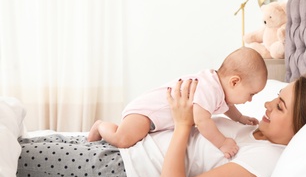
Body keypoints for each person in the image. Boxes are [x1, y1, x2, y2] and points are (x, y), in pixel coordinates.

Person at [10, 74, 306, 177]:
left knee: (11, 159)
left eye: (279, 105)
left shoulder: (266, 159)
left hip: (117, 172)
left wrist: (182, 122)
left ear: (304, 125)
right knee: (14, 142)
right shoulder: (254, 128)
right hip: (117, 148)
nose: (266, 104)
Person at [87, 47, 268, 158]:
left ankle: (104, 127)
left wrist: (241, 118)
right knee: (122, 139)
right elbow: (202, 121)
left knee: (131, 139)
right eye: (251, 93)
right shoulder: (209, 88)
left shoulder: (218, 89)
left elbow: (229, 108)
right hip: (147, 112)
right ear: (234, 82)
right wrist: (222, 143)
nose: (251, 99)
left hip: (153, 119)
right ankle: (100, 126)